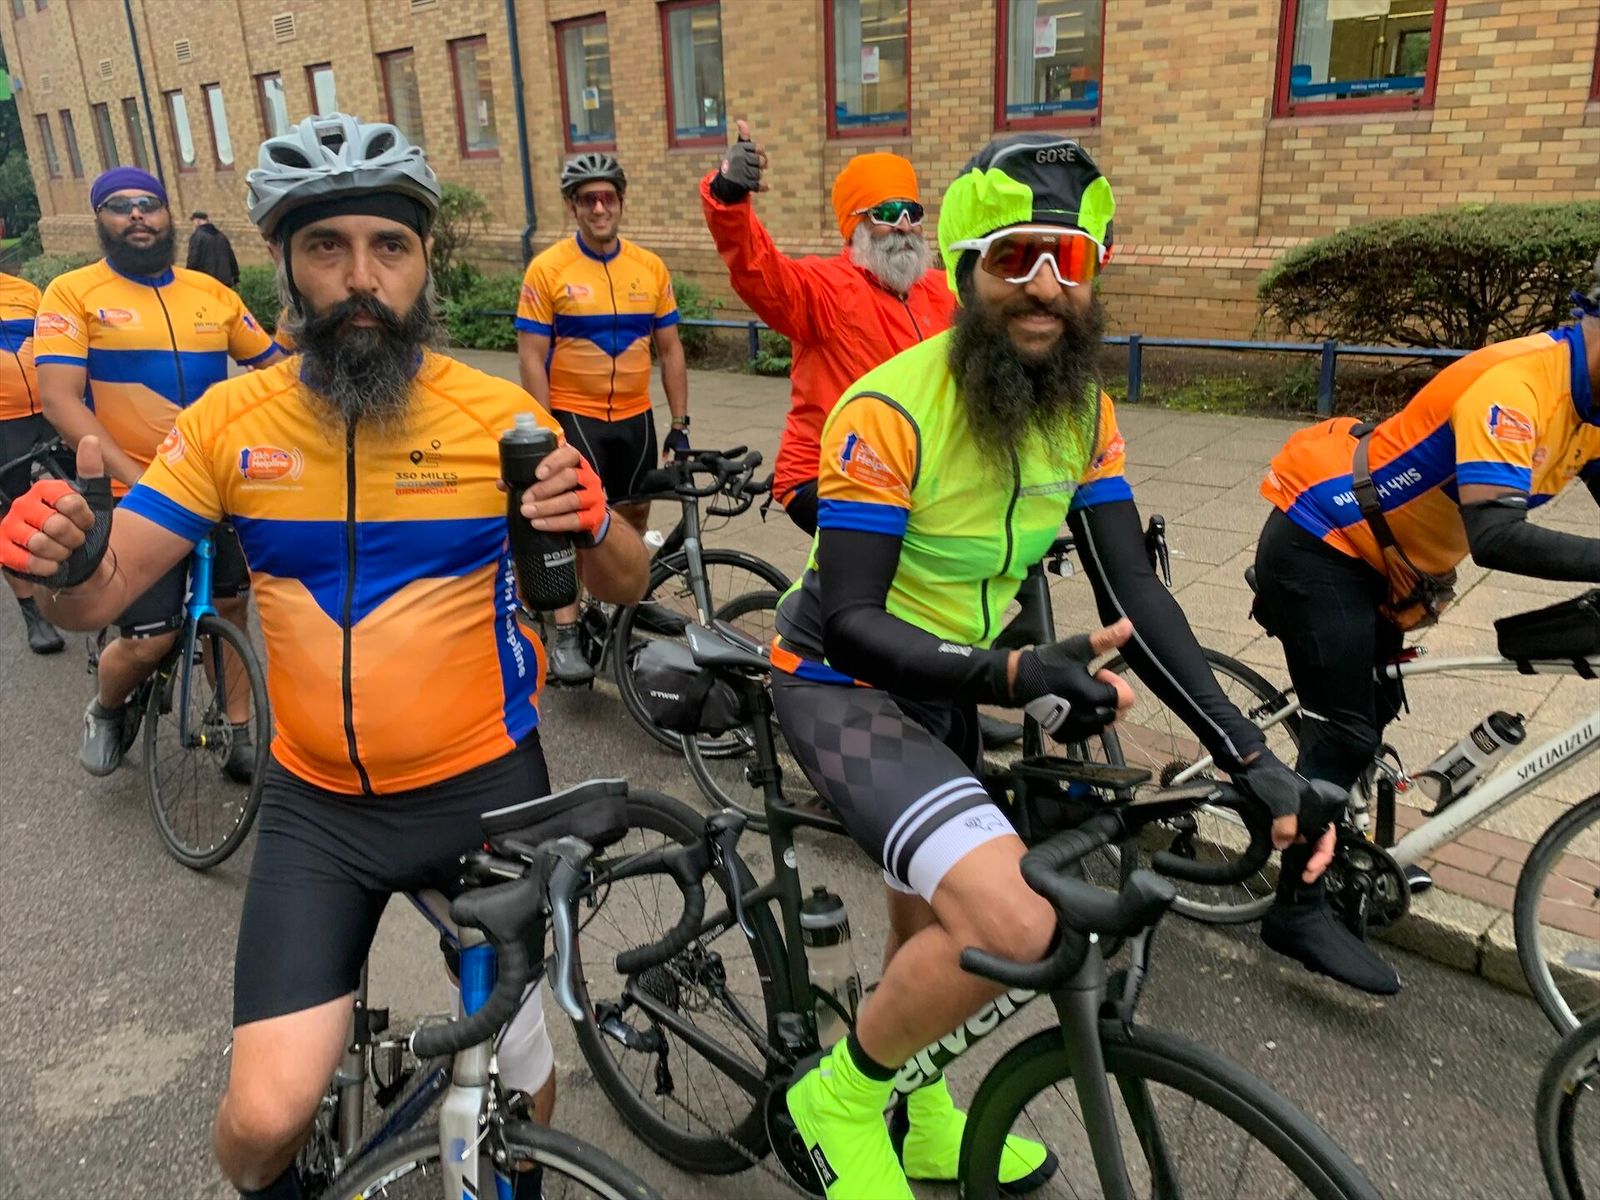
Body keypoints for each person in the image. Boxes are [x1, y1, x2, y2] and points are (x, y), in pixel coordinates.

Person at [0, 113, 650, 1200]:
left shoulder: (498, 415)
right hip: (317, 814)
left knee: (521, 1096)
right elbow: (102, 593)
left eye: (388, 246)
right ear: (283, 263)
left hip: (488, 795)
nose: (359, 277)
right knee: (259, 1127)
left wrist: (595, 521)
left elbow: (622, 584)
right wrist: (55, 563)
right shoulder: (229, 422)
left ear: (424, 259)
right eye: (325, 247)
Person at [768, 132, 1332, 1200]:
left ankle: (922, 1116)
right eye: (1012, 256)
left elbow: (1136, 595)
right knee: (1017, 921)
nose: (1041, 285)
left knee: (935, 926)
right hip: (843, 687)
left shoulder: (1083, 412)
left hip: (954, 683)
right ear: (963, 270)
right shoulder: (887, 408)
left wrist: (1252, 757)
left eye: (1067, 259)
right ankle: (838, 1101)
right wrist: (1016, 675)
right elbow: (848, 622)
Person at [1254, 261, 1600, 996]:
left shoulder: (1591, 408)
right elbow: (1497, 537)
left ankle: (1340, 848)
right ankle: (1297, 909)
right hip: (1323, 540)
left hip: (1393, 560)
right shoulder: (1517, 387)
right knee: (1347, 733)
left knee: (1375, 704)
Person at [34, 166, 282, 779]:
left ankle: (238, 730)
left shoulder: (212, 293)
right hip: (133, 489)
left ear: (169, 214)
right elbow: (60, 400)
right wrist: (136, 476)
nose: (137, 215)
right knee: (150, 639)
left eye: (149, 203)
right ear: (100, 219)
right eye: (120, 205)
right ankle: (107, 707)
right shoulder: (72, 293)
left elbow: (279, 369)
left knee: (230, 610)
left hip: (215, 483)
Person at [702, 120, 952, 536]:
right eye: (887, 213)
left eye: (913, 213)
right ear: (856, 226)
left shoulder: (940, 290)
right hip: (825, 473)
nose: (904, 226)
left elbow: (998, 298)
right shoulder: (826, 288)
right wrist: (728, 197)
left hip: (905, 471)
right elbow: (759, 272)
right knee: (904, 558)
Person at [516, 152, 688, 684]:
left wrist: (680, 424)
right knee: (574, 522)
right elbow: (531, 356)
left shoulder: (649, 267)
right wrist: (547, 427)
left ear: (620, 202)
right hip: (576, 415)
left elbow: (671, 349)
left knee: (633, 517)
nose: (599, 208)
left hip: (636, 418)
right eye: (588, 199)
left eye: (607, 197)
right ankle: (566, 630)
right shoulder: (548, 269)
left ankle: (627, 602)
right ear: (573, 205)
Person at [0, 267, 71, 653]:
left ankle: (92, 579)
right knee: (9, 515)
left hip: (47, 412)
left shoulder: (26, 291)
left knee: (83, 492)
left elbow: (54, 342)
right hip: (2, 424)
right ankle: (33, 611)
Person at [187, 210, 241, 288]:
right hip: (224, 282)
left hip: (206, 282)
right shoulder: (222, 236)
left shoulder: (197, 236)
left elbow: (193, 259)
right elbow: (231, 257)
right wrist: (235, 277)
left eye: (193, 221)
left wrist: (189, 277)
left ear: (197, 221)